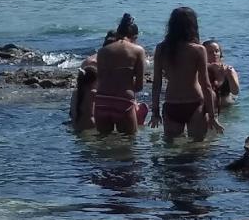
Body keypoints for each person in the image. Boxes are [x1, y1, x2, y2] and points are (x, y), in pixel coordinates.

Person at [151, 8, 223, 140]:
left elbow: (156, 83)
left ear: (171, 26)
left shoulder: (161, 48)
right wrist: (213, 117)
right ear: (193, 26)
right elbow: (206, 85)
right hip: (194, 103)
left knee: (170, 151)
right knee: (197, 149)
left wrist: (155, 112)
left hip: (171, 103)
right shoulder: (198, 50)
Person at [93, 14, 146, 135]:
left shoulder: (102, 52)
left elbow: (100, 79)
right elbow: (139, 86)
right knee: (128, 144)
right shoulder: (138, 50)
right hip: (123, 101)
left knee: (102, 145)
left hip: (102, 100)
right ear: (135, 36)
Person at [204, 40, 240, 109]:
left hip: (228, 108)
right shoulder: (200, 71)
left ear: (220, 53)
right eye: (210, 52)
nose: (215, 54)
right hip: (209, 109)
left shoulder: (229, 69)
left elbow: (235, 92)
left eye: (217, 51)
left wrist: (230, 75)